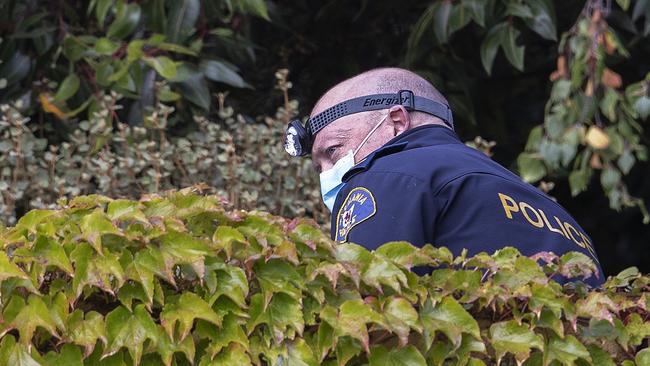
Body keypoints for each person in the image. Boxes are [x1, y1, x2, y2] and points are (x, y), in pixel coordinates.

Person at [284, 67, 603, 286]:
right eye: (318, 168)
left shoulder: (388, 175)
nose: (328, 175)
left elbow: (371, 308)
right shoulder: (555, 214)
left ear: (396, 121)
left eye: (334, 151)